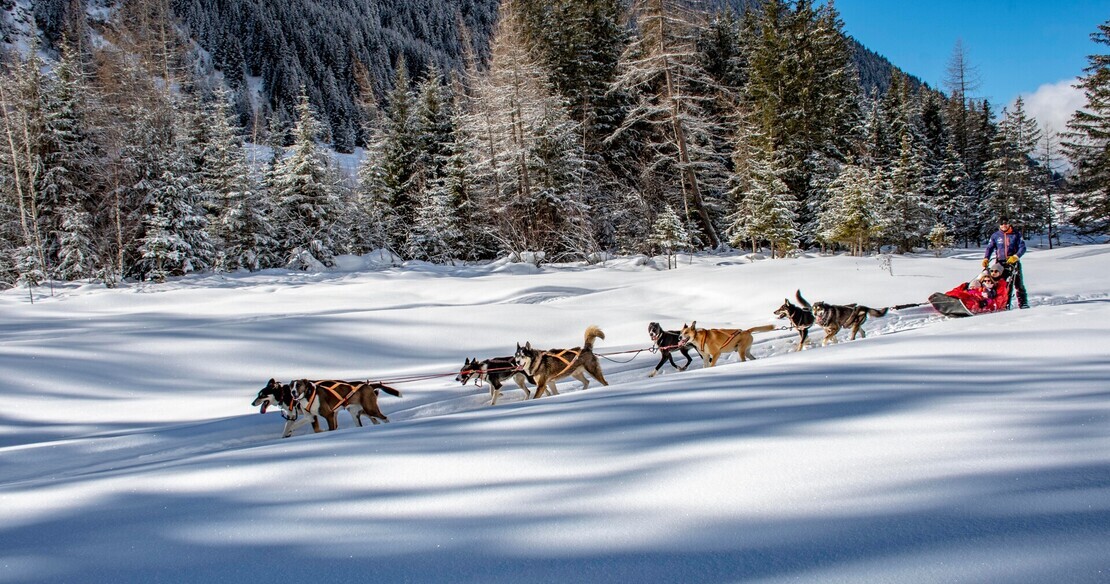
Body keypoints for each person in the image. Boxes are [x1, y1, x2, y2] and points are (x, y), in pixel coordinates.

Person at [983, 217, 1028, 309]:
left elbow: (1022, 247)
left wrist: (1016, 256)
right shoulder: (995, 236)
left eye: (1006, 223)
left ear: (1009, 224)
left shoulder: (1016, 234)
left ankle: (1023, 303)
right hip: (1000, 264)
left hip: (1013, 262)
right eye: (1002, 224)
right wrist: (986, 258)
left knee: (1018, 284)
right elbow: (989, 248)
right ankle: (1003, 304)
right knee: (1002, 284)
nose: (1004, 225)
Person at [945, 261, 1010, 314]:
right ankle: (949, 297)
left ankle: (960, 303)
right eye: (992, 271)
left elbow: (998, 300)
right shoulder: (983, 281)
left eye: (996, 271)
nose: (993, 273)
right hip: (976, 294)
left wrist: (987, 302)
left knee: (972, 300)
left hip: (983, 301)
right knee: (962, 292)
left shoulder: (998, 286)